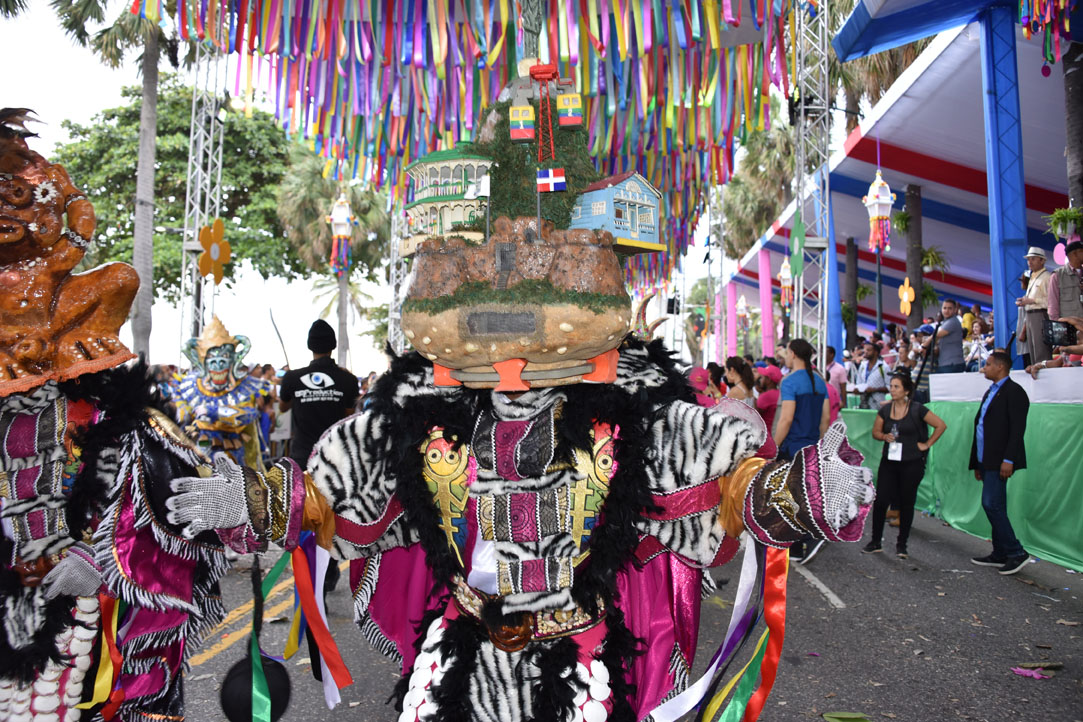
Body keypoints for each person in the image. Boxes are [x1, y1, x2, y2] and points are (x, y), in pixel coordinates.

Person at [863, 373, 947, 558]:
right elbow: (876, 432)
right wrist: (884, 436)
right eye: (891, 386)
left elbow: (941, 425)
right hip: (889, 462)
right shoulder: (885, 410)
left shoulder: (918, 409)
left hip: (912, 462)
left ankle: (902, 544)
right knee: (881, 500)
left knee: (907, 502)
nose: (892, 390)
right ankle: (875, 541)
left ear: (906, 391)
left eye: (896, 387)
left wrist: (926, 444)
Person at [969, 351, 1031, 575]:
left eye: (987, 364)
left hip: (1000, 459)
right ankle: (1000, 552)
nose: (984, 368)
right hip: (986, 459)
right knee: (997, 505)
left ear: (1000, 367)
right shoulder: (991, 391)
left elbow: (1017, 430)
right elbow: (981, 426)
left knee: (991, 504)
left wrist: (1009, 459)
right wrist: (977, 463)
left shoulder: (1014, 392)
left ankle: (1016, 552)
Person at [774, 338, 832, 564]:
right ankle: (803, 543)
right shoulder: (819, 380)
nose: (786, 357)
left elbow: (786, 419)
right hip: (813, 445)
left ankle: (804, 540)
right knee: (805, 496)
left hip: (793, 446)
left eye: (787, 353)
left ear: (793, 354)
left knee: (789, 498)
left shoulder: (789, 381)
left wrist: (774, 446)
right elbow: (825, 419)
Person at [279, 320, 360, 467]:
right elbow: (348, 415)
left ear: (310, 345)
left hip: (302, 458)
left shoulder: (292, 378)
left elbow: (282, 407)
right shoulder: (349, 380)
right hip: (335, 459)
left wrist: (299, 393)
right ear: (333, 345)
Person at [1013, 248, 1054, 362]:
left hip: (1040, 314)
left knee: (1041, 350)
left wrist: (1032, 300)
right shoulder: (1032, 277)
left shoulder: (1047, 277)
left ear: (1042, 261)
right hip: (1030, 314)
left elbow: (1051, 301)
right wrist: (1025, 301)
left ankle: (1044, 370)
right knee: (1033, 351)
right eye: (1028, 260)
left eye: (1033, 259)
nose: (1030, 262)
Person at [1047, 238, 1083, 323]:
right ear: (1074, 254)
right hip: (1069, 325)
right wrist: (1056, 324)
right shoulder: (1057, 275)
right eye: (1082, 251)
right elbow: (1052, 305)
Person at [926, 298, 965, 373]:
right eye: (944, 308)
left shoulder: (953, 322)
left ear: (955, 310)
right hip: (946, 363)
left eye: (950, 308)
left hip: (952, 364)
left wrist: (924, 345)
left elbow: (936, 335)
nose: (946, 311)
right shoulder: (945, 322)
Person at [852, 341, 890, 409]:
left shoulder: (883, 367)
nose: (866, 352)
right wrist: (857, 389)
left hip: (878, 404)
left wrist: (875, 390)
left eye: (869, 350)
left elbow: (889, 386)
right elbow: (859, 383)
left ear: (876, 352)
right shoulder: (863, 365)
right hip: (864, 403)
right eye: (865, 350)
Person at [754, 364, 782, 433]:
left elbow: (755, 417)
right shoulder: (780, 393)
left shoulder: (765, 396)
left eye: (762, 377)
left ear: (768, 380)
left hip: (766, 433)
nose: (760, 380)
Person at [1015, 271, 1033, 368]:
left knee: (1028, 360)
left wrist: (1023, 332)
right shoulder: (1026, 296)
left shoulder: (1030, 297)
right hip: (1025, 335)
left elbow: (1029, 316)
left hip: (1027, 336)